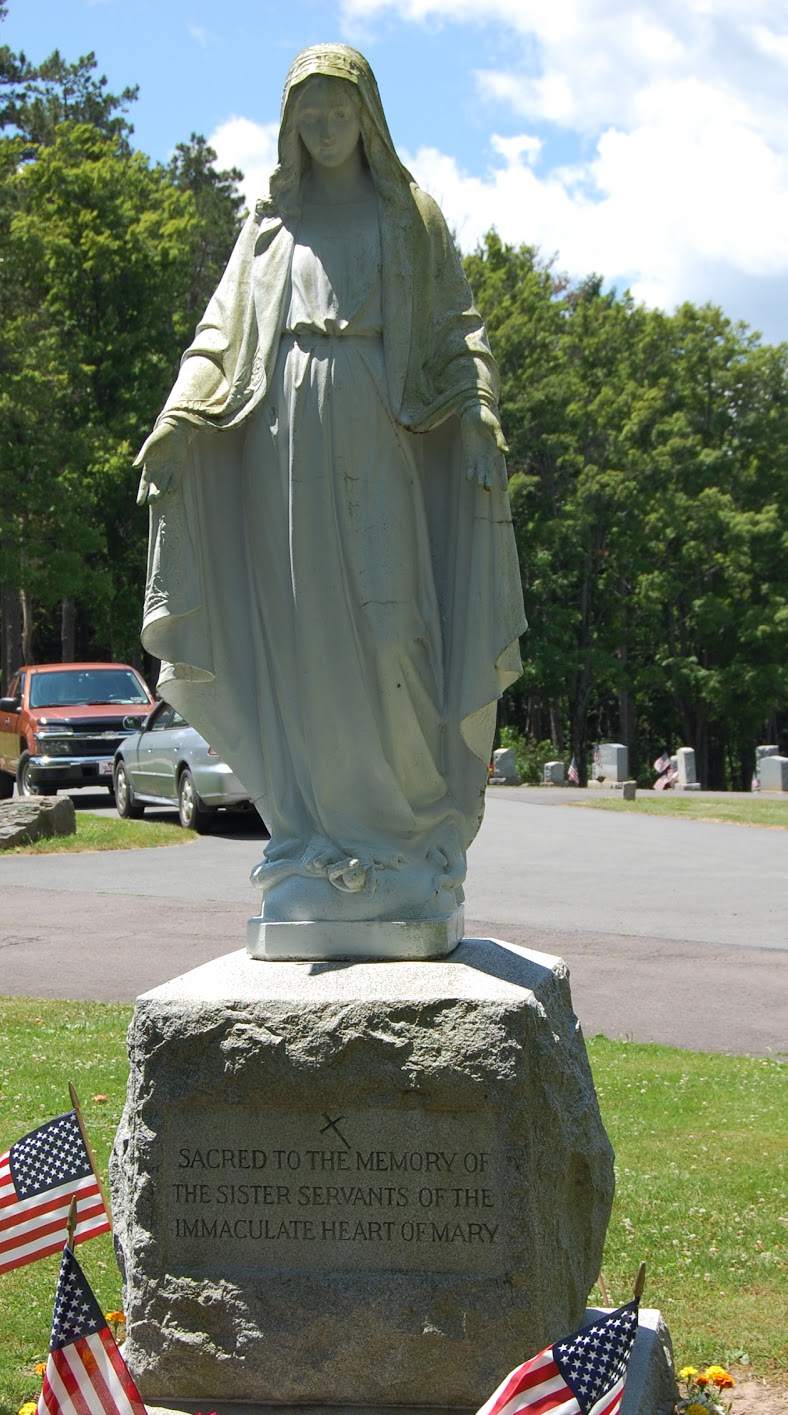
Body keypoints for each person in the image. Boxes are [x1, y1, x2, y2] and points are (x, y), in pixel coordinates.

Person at [136, 43, 525, 959]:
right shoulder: (272, 226)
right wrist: (179, 419)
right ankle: (317, 837)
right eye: (305, 114)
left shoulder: (408, 219)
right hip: (283, 441)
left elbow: (457, 328)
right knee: (304, 639)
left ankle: (408, 836)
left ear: (367, 117)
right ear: (288, 127)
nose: (321, 129)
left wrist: (476, 417)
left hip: (377, 431)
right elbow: (220, 334)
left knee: (394, 629)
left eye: (336, 112)